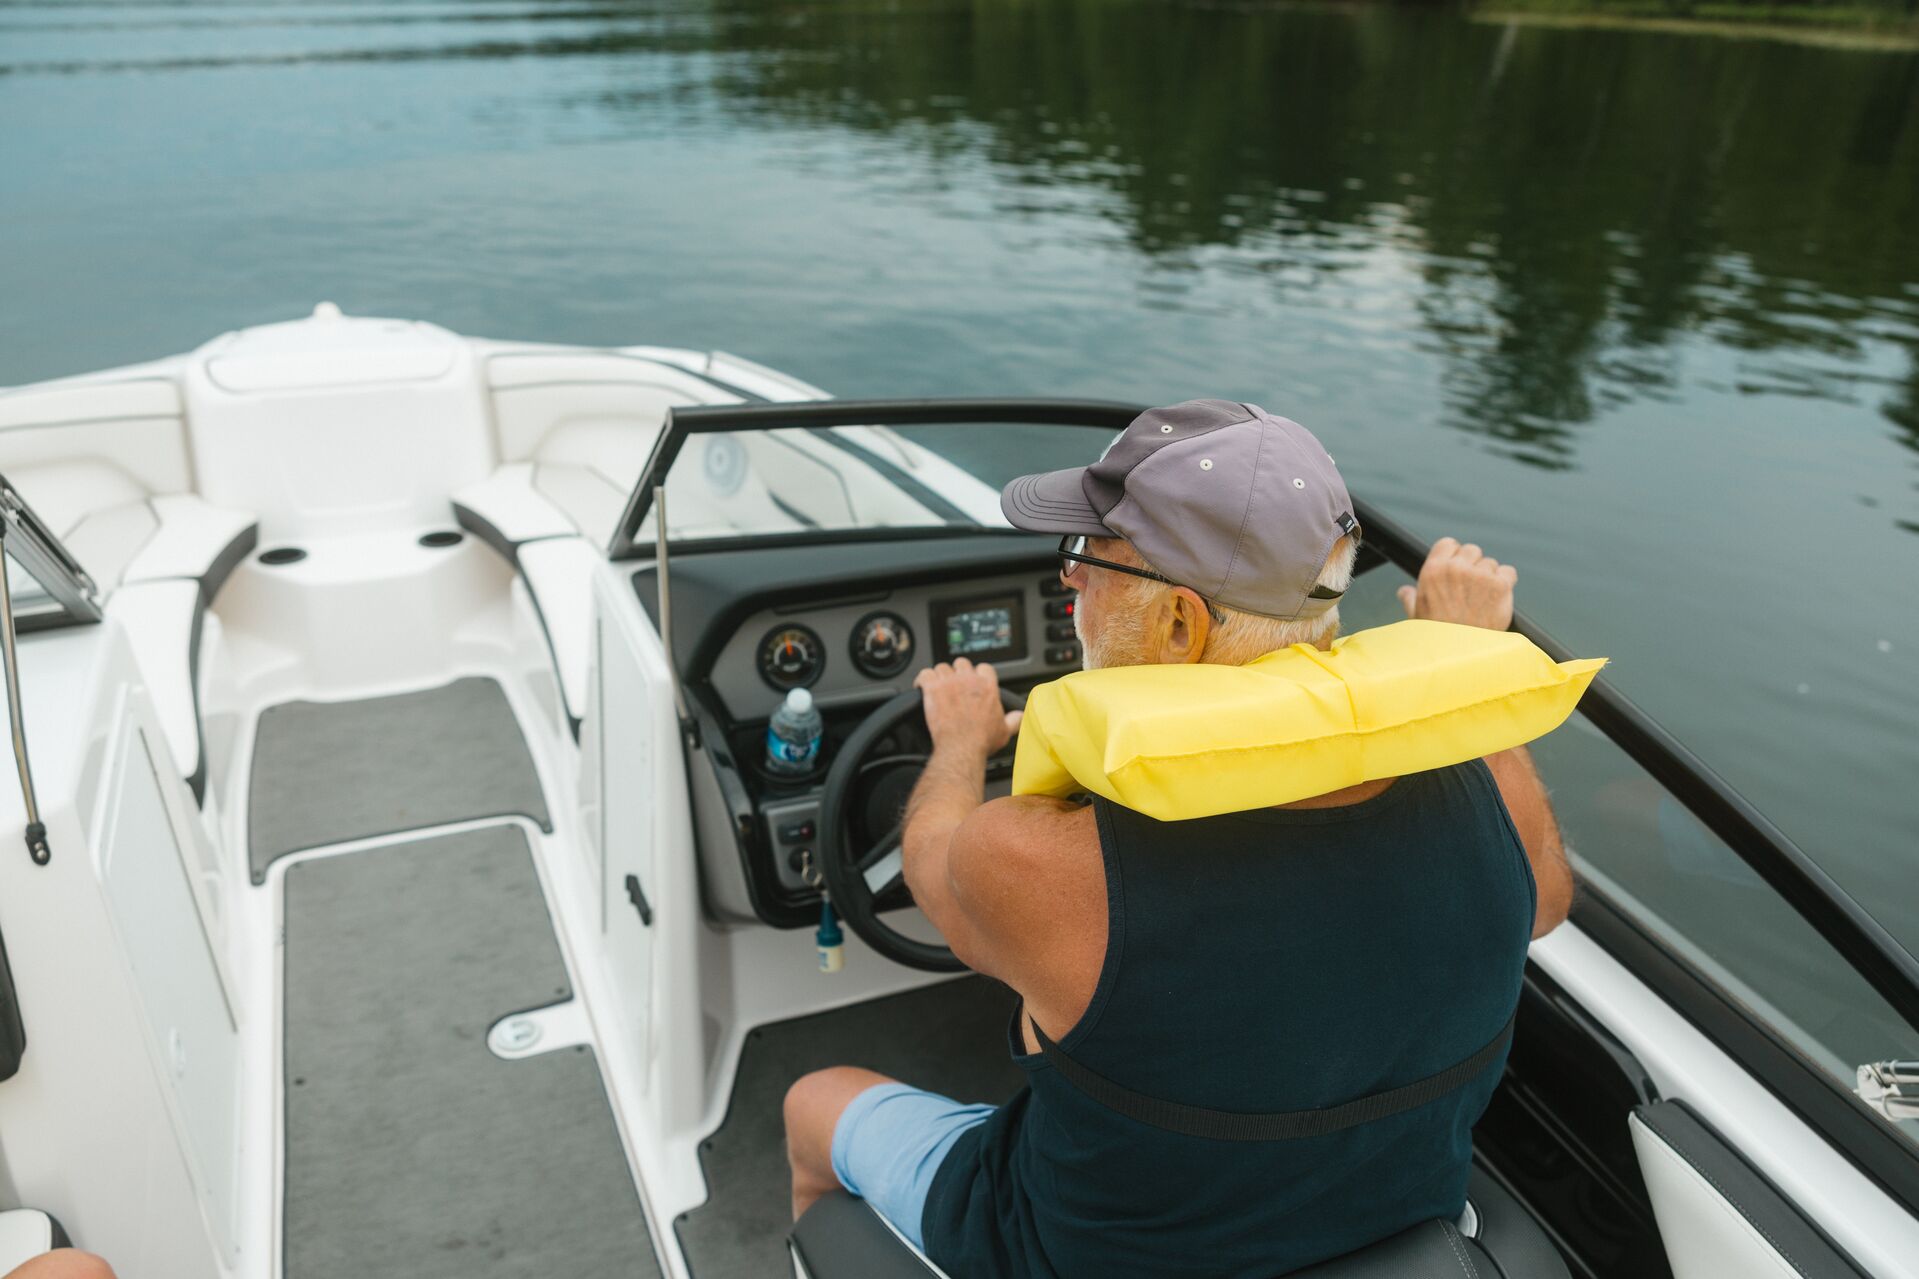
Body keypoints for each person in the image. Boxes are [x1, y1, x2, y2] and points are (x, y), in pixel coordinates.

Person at [785, 399, 1573, 1278]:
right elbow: (1545, 899)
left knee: (814, 1105)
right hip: (1380, 1215)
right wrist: (1462, 677)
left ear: (1178, 628)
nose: (1069, 584)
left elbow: (933, 868)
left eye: (1089, 559)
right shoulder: (1490, 793)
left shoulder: (1037, 860)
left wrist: (960, 748)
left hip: (1074, 1254)